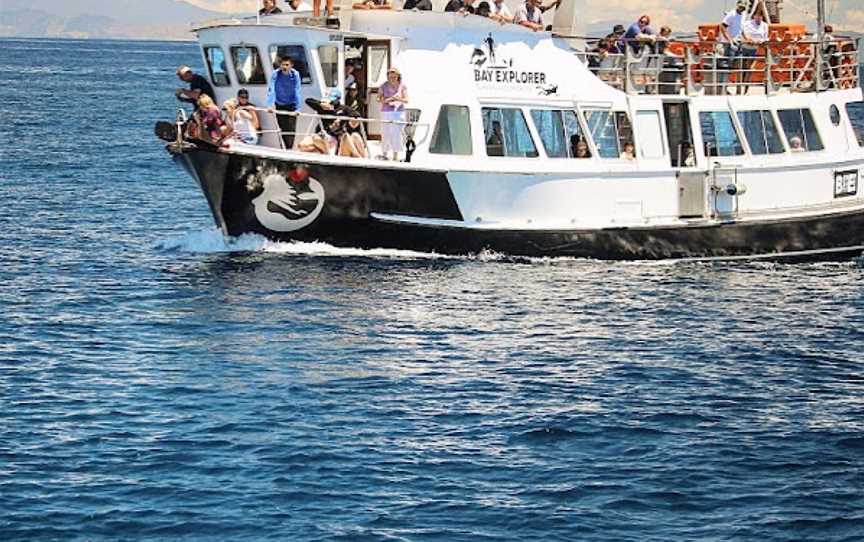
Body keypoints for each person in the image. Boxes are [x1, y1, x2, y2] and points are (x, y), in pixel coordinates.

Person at [266, 57, 302, 149]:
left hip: (291, 105)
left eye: (287, 65)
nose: (284, 67)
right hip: (280, 104)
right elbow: (271, 89)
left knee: (291, 128)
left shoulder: (295, 74)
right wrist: (269, 105)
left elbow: (297, 91)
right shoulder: (275, 74)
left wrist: (298, 108)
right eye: (282, 65)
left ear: (291, 66)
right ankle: (286, 148)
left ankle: (289, 149)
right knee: (282, 128)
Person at [717, 0, 748, 94]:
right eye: (740, 6)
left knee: (739, 66)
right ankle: (723, 88)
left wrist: (745, 38)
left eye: (743, 7)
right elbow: (722, 26)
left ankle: (738, 90)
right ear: (737, 5)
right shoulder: (732, 14)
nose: (742, 8)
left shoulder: (743, 15)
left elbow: (740, 29)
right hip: (729, 44)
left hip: (739, 43)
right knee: (727, 66)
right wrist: (730, 40)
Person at [378, 67, 408, 160]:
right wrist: (390, 99)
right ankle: (385, 153)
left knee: (397, 133)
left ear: (398, 76)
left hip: (398, 112)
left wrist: (398, 99)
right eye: (390, 76)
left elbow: (406, 100)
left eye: (394, 76)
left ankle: (396, 155)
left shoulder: (402, 86)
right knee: (385, 132)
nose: (392, 78)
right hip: (386, 111)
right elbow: (379, 99)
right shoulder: (383, 86)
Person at [738, 10, 768, 93]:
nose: (759, 17)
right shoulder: (747, 23)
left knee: (749, 69)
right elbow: (741, 32)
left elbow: (765, 37)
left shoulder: (765, 25)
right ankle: (739, 89)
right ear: (754, 16)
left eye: (760, 16)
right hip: (744, 47)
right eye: (757, 15)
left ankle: (745, 90)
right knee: (740, 68)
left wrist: (759, 41)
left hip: (754, 48)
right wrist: (747, 39)